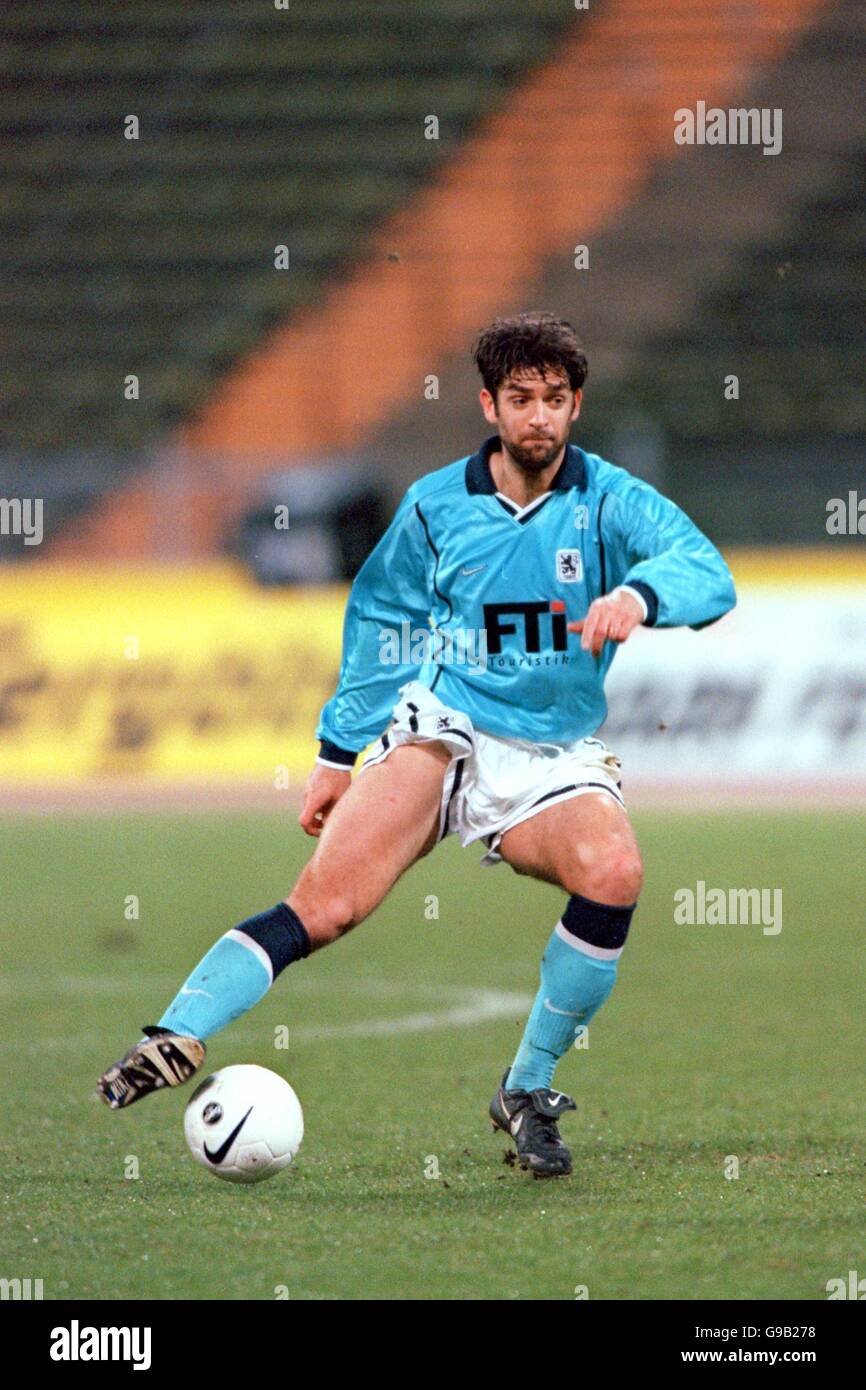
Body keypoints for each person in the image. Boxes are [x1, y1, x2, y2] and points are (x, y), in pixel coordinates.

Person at [97, 311, 736, 1179]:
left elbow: (706, 570)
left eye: (555, 399)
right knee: (327, 907)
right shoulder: (437, 506)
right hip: (445, 725)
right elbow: (381, 623)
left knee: (614, 872)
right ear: (489, 404)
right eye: (521, 399)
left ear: (576, 406)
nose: (539, 416)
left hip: (550, 755)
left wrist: (644, 596)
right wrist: (336, 753)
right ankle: (175, 1034)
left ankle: (526, 1089)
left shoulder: (613, 501)